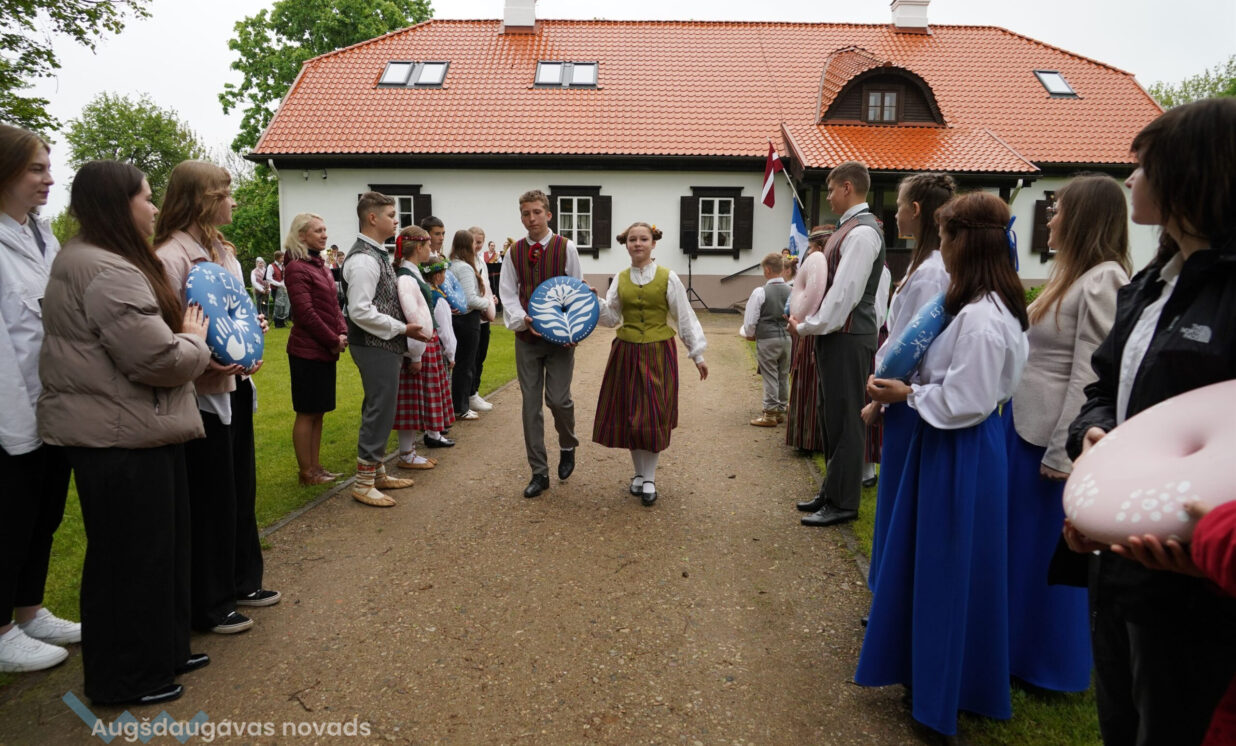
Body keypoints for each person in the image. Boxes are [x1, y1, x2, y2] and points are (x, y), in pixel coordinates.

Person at [1063, 98, 1236, 746]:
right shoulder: (1149, 285)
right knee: (1120, 716)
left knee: (1173, 724)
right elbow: (1104, 387)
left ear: (1190, 173)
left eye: (1143, 166)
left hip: (1198, 577)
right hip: (1120, 563)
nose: (1131, 178)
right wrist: (1092, 434)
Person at [856, 191, 1029, 737]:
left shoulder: (980, 318)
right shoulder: (985, 306)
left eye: (948, 236)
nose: (943, 247)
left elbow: (966, 399)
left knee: (946, 573)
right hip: (965, 446)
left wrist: (906, 393)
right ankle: (954, 679)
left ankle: (938, 697)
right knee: (955, 569)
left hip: (959, 448)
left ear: (965, 243)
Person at [39, 160, 213, 706]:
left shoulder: (96, 258)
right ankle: (127, 678)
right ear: (119, 205)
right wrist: (194, 341)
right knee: (131, 560)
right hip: (118, 435)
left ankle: (163, 652)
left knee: (158, 551)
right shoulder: (105, 269)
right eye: (146, 197)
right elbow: (156, 358)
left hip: (137, 429)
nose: (155, 208)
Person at [1005, 174, 1131, 693]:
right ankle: (1017, 649)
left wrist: (1064, 452)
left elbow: (1090, 375)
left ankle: (1050, 665)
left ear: (1083, 219)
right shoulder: (1072, 276)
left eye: (1058, 210)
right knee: (1023, 551)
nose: (1050, 220)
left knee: (1047, 553)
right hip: (1026, 429)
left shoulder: (1104, 280)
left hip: (1049, 442)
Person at [155, 160, 278, 636]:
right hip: (201, 394)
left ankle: (243, 579)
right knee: (212, 497)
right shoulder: (170, 257)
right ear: (201, 199)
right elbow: (168, 330)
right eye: (225, 192)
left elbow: (233, 313)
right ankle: (211, 600)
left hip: (236, 386)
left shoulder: (223, 251)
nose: (233, 200)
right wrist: (205, 359)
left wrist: (252, 334)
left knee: (240, 488)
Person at [0, 124, 79, 673]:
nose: (49, 179)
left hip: (54, 407)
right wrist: (17, 430)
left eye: (49, 168)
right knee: (10, 519)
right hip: (15, 416)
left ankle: (29, 611)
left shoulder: (41, 236)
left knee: (43, 516)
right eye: (36, 169)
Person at [861, 172, 955, 591]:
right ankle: (887, 589)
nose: (895, 213)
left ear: (915, 210)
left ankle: (892, 592)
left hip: (906, 398)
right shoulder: (924, 264)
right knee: (895, 500)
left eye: (899, 205)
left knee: (902, 500)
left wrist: (881, 397)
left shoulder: (932, 272)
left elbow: (913, 343)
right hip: (898, 393)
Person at [788, 161, 886, 527]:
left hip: (848, 335)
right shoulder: (849, 228)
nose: (828, 197)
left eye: (831, 190)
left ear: (847, 187)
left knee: (846, 420)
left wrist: (807, 327)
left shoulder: (862, 233)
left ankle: (844, 502)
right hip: (836, 335)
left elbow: (845, 294)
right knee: (830, 417)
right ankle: (831, 490)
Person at [594, 222, 707, 506]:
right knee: (632, 415)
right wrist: (594, 301)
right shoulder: (620, 279)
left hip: (658, 352)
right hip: (626, 352)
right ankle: (638, 473)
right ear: (626, 245)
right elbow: (611, 318)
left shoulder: (668, 277)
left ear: (653, 243)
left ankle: (650, 478)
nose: (638, 244)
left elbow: (684, 316)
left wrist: (697, 354)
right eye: (632, 239)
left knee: (653, 415)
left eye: (643, 239)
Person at [498, 189, 585, 498]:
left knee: (559, 400)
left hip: (560, 339)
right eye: (526, 213)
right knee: (530, 406)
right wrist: (523, 319)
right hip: (527, 338)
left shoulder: (566, 247)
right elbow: (508, 292)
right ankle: (539, 472)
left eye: (536, 212)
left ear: (548, 214)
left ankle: (567, 444)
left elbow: (576, 289)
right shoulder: (514, 252)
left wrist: (572, 329)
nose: (531, 218)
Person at [341, 192, 425, 507]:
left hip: (382, 344)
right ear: (372, 218)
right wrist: (402, 328)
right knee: (379, 408)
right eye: (391, 214)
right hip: (373, 344)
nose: (396, 220)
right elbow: (359, 311)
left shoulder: (374, 253)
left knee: (382, 407)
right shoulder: (364, 259)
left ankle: (376, 473)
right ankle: (363, 483)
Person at [283, 212, 349, 485]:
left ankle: (316, 467)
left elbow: (334, 305)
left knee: (318, 411)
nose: (325, 234)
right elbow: (306, 313)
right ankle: (306, 472)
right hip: (306, 351)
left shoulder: (319, 264)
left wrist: (342, 331)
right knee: (307, 411)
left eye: (324, 230)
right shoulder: (296, 268)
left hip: (323, 349)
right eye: (318, 231)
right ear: (301, 235)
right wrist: (333, 339)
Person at [391, 225, 454, 466]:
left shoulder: (412, 273)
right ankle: (406, 454)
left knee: (416, 401)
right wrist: (416, 354)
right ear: (418, 247)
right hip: (417, 346)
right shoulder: (407, 278)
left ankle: (410, 452)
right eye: (428, 244)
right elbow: (412, 317)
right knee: (411, 402)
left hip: (424, 344)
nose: (431, 248)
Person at [784, 228, 829, 454]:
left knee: (811, 388)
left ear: (819, 248)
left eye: (810, 248)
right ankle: (803, 439)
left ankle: (811, 440)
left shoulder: (825, 273)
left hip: (814, 332)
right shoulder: (816, 272)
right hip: (806, 332)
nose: (808, 252)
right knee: (804, 385)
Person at [742, 253, 791, 427]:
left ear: (768, 270)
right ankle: (781, 410)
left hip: (767, 339)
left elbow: (751, 320)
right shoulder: (791, 290)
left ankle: (770, 413)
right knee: (783, 374)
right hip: (787, 338)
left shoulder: (760, 292)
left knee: (770, 375)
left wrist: (749, 333)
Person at [447, 229, 488, 421]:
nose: (476, 246)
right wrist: (488, 303)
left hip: (457, 319)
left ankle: (459, 404)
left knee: (461, 363)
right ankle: (461, 406)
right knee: (466, 364)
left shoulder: (451, 264)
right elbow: (470, 299)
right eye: (473, 243)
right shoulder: (464, 268)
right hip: (467, 319)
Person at [468, 225, 497, 413]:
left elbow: (486, 285)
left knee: (481, 356)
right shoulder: (464, 262)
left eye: (480, 242)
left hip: (485, 315)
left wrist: (492, 298)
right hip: (472, 315)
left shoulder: (481, 261)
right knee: (472, 357)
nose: (478, 246)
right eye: (475, 242)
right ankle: (469, 394)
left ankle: (475, 392)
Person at [266, 250, 289, 327]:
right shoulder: (271, 266)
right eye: (282, 257)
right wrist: (279, 284)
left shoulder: (283, 266)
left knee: (283, 305)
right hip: (275, 289)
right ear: (277, 258)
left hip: (283, 289)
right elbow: (269, 278)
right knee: (278, 305)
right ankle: (277, 323)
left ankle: (282, 322)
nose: (283, 259)